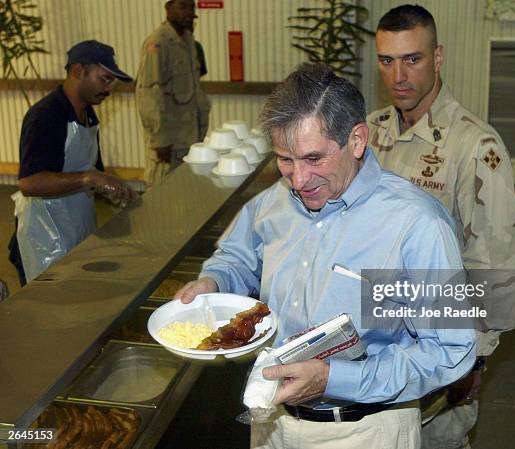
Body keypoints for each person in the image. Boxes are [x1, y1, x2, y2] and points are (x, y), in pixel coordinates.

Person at [176, 63, 476, 449]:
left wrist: (335, 379)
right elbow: (238, 257)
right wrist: (214, 281)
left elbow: (450, 350)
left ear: (356, 140)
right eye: (285, 159)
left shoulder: (416, 225)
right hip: (272, 420)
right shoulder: (273, 203)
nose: (298, 181)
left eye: (314, 159)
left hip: (364, 430)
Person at [367, 5, 515, 449]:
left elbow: (493, 258)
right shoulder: (371, 133)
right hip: (375, 337)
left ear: (437, 57)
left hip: (438, 342)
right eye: (387, 60)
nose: (398, 75)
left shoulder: (474, 144)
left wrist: (474, 357)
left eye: (412, 59)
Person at [8, 40, 136, 284]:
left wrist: (111, 189)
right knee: (49, 307)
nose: (108, 89)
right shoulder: (46, 115)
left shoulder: (88, 113)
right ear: (78, 71)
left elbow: (91, 169)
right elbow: (30, 183)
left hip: (77, 224)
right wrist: (90, 179)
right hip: (45, 234)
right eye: (104, 79)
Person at [136, 0, 211, 187]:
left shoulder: (189, 42)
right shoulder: (158, 43)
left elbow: (194, 89)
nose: (189, 12)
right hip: (168, 144)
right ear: (168, 9)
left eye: (192, 7)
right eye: (183, 6)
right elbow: (148, 93)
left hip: (189, 138)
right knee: (160, 198)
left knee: (185, 196)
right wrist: (160, 140)